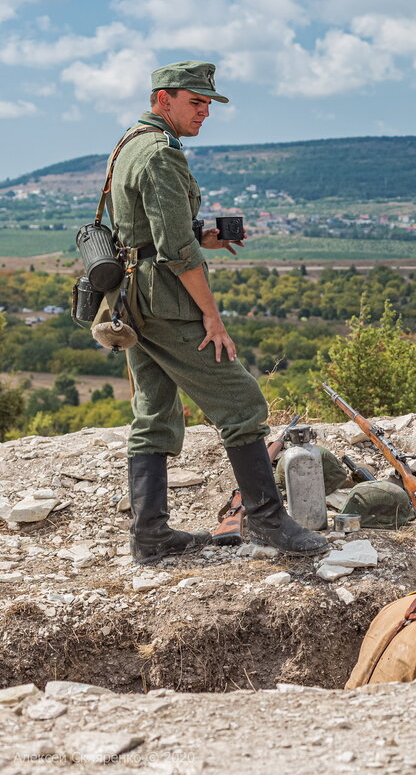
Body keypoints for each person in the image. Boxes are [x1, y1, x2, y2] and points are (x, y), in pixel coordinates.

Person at [111, 61, 328, 563]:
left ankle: (150, 536)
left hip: (133, 298)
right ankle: (269, 520)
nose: (205, 111)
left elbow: (153, 232)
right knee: (242, 401)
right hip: (166, 302)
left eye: (209, 103)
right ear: (163, 98)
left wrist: (203, 233)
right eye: (196, 101)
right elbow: (176, 253)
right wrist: (212, 316)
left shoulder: (130, 143)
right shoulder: (159, 155)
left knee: (154, 411)